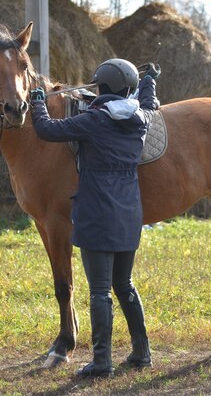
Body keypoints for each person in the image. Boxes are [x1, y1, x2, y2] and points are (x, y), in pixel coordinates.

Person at [29, 59, 161, 378]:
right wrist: (150, 79)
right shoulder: (141, 118)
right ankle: (142, 353)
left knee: (100, 290)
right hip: (129, 212)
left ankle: (102, 362)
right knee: (124, 285)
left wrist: (37, 103)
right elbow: (149, 102)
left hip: (97, 212)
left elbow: (47, 129)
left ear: (100, 87)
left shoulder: (92, 120)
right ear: (128, 89)